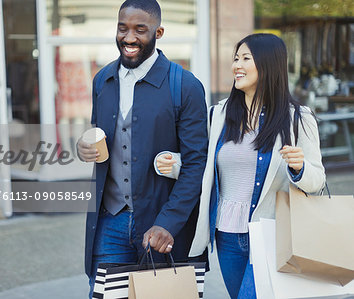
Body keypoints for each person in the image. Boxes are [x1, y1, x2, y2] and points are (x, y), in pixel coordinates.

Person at [155, 33, 326, 299]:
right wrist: (172, 163)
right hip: (226, 235)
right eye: (236, 58)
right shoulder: (219, 115)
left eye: (246, 58)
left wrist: (299, 167)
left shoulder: (298, 119)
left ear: (269, 64)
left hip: (273, 236)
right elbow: (205, 165)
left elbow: (317, 181)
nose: (237, 65)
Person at [76, 0, 208, 296]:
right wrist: (83, 147)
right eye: (123, 28)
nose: (129, 38)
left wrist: (169, 222)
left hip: (161, 222)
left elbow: (197, 164)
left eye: (140, 29)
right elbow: (98, 136)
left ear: (158, 32)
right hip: (110, 219)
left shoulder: (185, 86)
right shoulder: (103, 80)